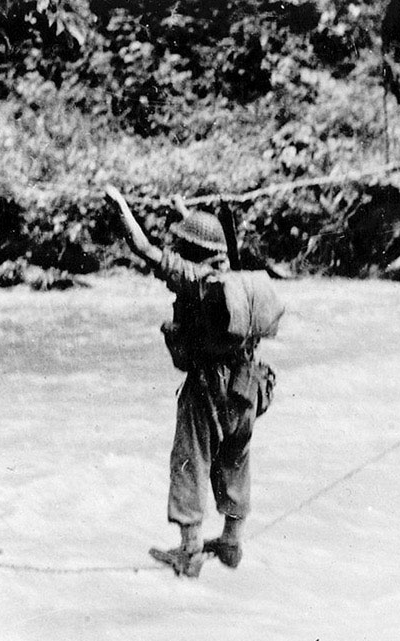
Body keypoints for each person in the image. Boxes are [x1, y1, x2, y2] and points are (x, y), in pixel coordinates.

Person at [105, 185, 282, 578]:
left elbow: (145, 249)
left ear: (194, 253)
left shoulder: (196, 282)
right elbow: (204, 244)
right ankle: (232, 541)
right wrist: (184, 213)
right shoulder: (234, 276)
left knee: (190, 459)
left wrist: (121, 207)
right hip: (249, 388)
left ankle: (189, 551)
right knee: (236, 459)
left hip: (210, 390)